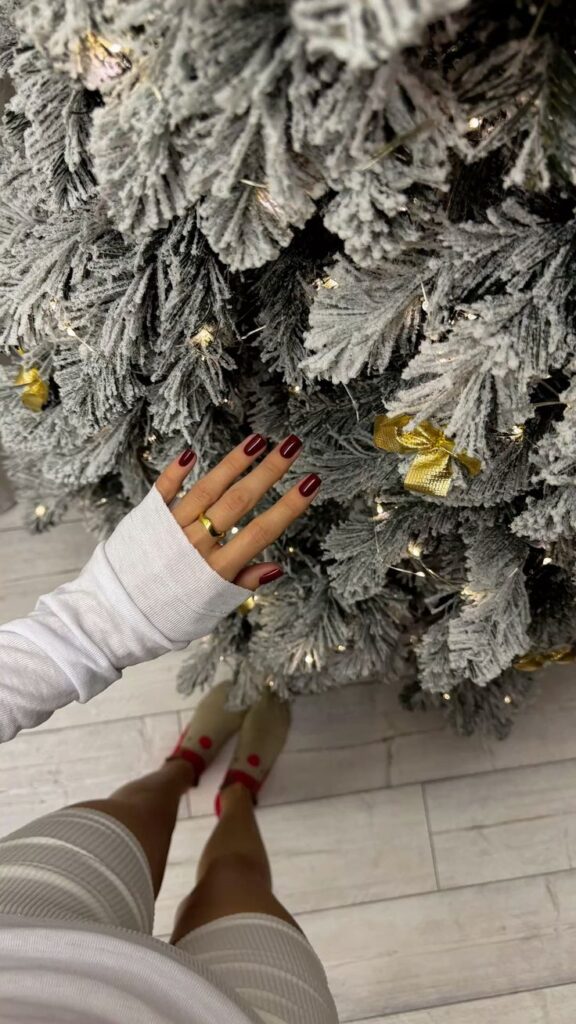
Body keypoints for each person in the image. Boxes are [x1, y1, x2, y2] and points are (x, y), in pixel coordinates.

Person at [0, 433, 339, 1024]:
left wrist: (97, 625)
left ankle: (181, 768)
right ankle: (238, 794)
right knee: (238, 877)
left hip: (19, 933)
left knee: (130, 812)